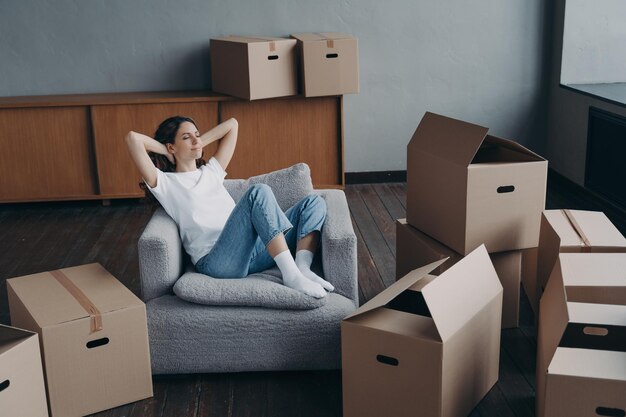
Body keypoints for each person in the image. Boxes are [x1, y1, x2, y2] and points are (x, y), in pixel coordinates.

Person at [125, 116, 333, 298]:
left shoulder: (211, 172)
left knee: (314, 202)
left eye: (197, 134)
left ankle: (302, 267)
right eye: (186, 137)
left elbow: (232, 125)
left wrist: (195, 143)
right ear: (171, 146)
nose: (196, 140)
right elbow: (132, 138)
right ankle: (291, 276)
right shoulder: (165, 183)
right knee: (258, 192)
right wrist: (167, 149)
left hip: (253, 254)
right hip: (217, 261)